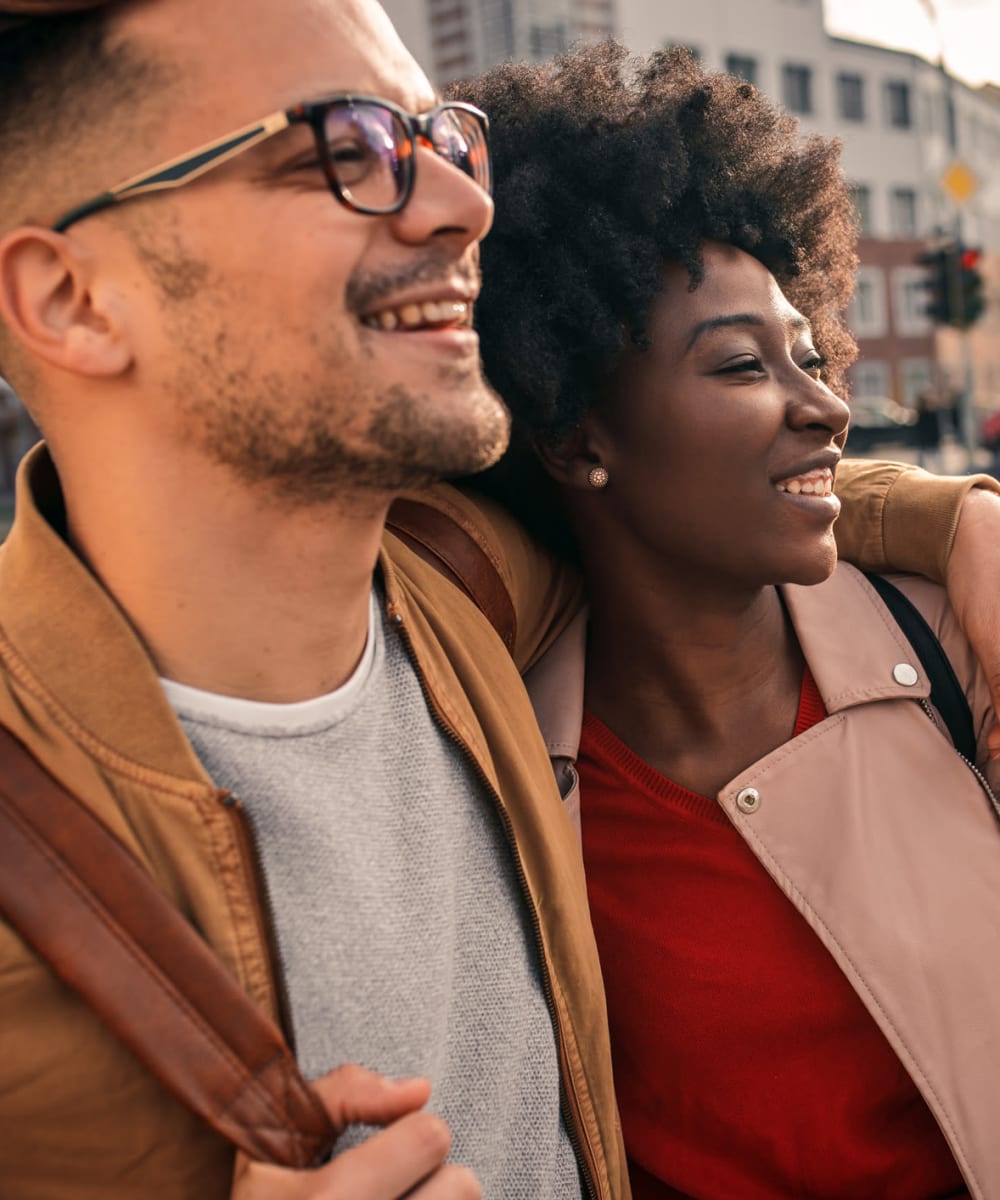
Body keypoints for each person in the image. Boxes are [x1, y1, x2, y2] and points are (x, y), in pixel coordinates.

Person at [0, 6, 997, 1200]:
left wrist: (955, 516)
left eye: (442, 139)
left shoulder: (474, 602)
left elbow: (681, 514)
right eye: (342, 146)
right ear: (71, 298)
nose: (465, 202)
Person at [459, 44, 1000, 1198]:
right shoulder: (499, 777)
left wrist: (963, 519)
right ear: (573, 437)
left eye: (809, 354)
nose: (829, 407)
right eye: (744, 366)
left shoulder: (963, 644)